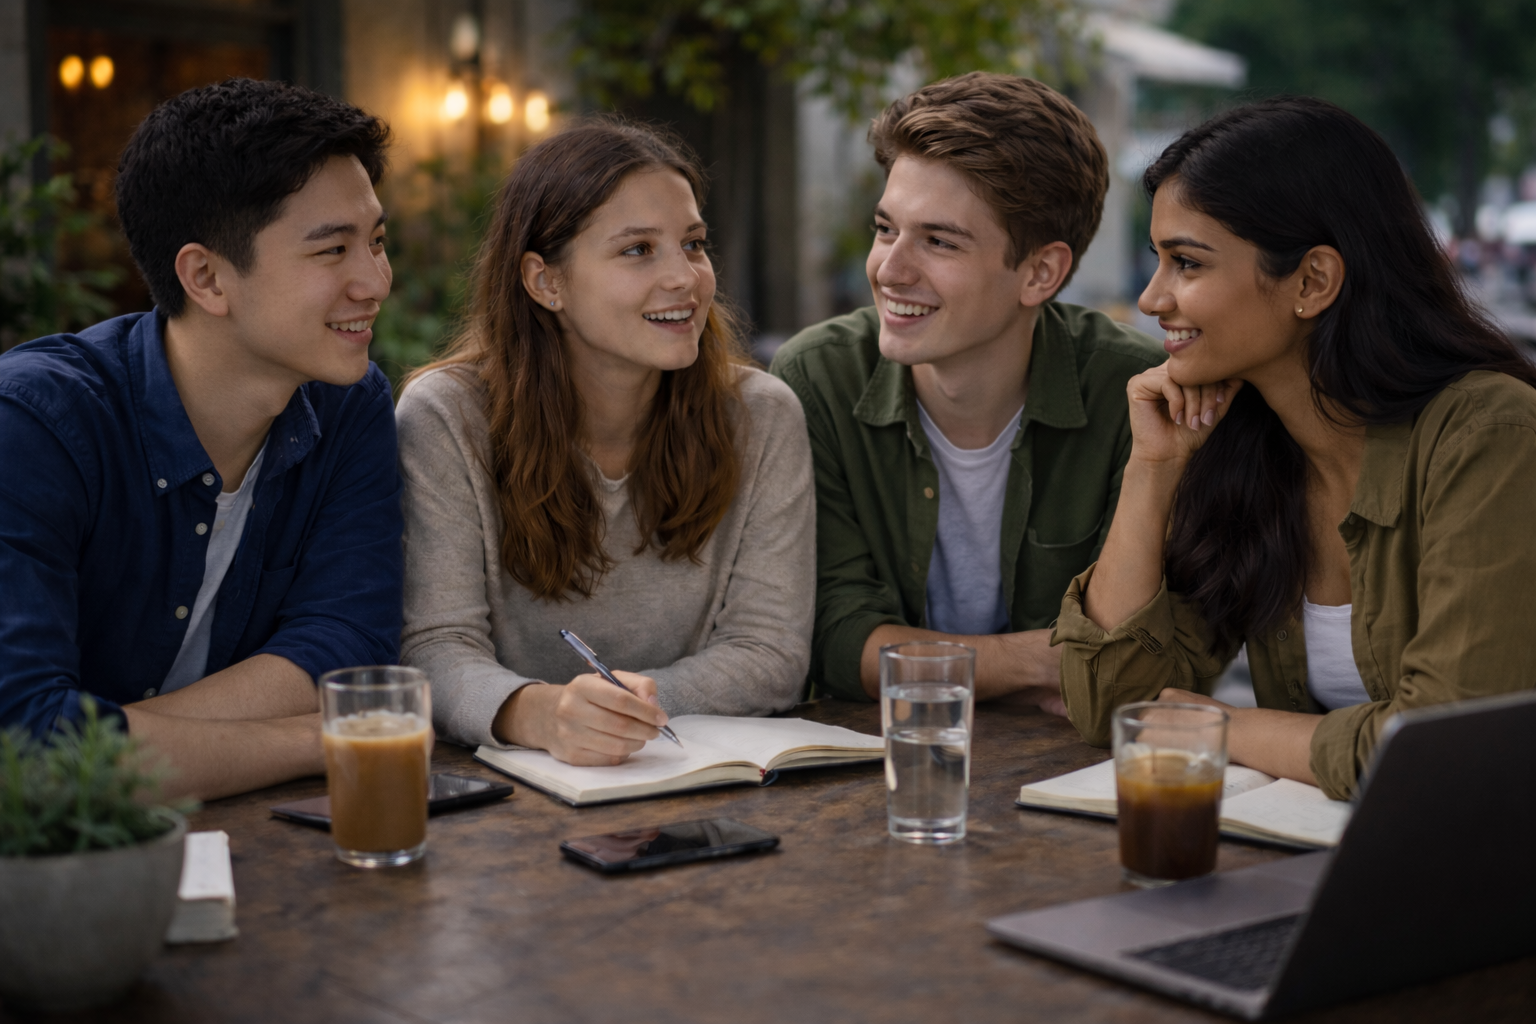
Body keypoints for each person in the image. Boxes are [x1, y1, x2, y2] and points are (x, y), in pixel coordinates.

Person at [1054, 97, 1536, 799]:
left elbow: (1442, 749)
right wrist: (1152, 470)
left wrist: (1225, 728)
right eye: (1158, 260)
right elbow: (1112, 707)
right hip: (1316, 865)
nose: (1154, 298)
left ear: (1312, 281)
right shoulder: (1238, 443)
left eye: (1186, 263)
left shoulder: (1490, 440)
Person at [0, 79, 402, 799]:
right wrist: (313, 740)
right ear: (207, 277)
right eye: (333, 250)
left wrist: (92, 749)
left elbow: (348, 646)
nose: (375, 281)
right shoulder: (34, 422)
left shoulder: (350, 402)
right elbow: (20, 745)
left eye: (376, 241)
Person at [397, 118, 814, 766]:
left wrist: (622, 709)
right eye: (638, 250)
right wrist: (540, 713)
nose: (686, 278)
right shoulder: (448, 418)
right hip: (508, 809)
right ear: (545, 282)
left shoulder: (760, 417)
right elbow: (434, 648)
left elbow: (772, 653)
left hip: (700, 782)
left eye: (694, 244)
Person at [770, 72, 1163, 706]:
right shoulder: (817, 378)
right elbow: (836, 640)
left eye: (939, 241)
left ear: (1040, 272)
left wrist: (913, 658)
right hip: (874, 770)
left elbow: (1145, 656)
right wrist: (1041, 660)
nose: (890, 270)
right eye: (885, 228)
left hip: (1074, 770)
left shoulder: (1132, 393)